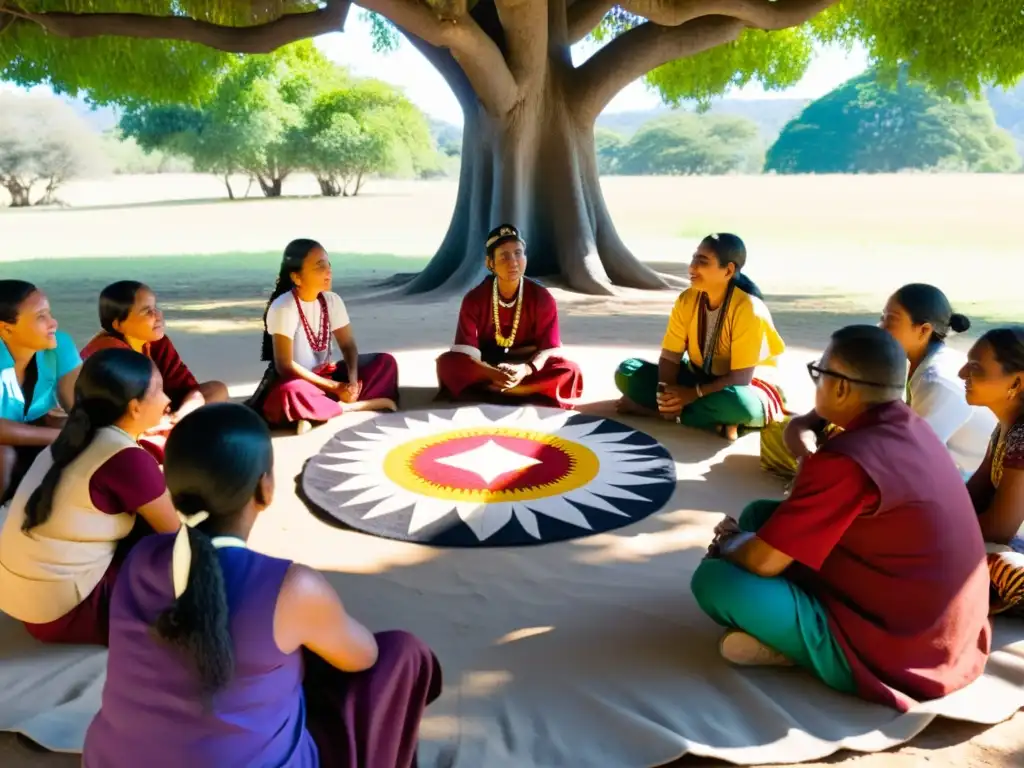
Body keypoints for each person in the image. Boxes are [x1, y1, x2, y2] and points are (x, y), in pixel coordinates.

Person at [83, 403, 443, 768]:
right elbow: (363, 657)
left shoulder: (140, 558)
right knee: (401, 652)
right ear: (265, 488)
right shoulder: (293, 588)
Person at [691, 325, 991, 712]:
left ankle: (818, 653)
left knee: (716, 581)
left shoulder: (848, 459)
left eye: (820, 373)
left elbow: (764, 563)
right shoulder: (910, 423)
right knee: (759, 514)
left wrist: (728, 543)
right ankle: (788, 625)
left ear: (842, 388)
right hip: (950, 628)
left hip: (907, 647)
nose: (816, 383)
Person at [0, 348, 181, 645]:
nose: (167, 399)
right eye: (159, 390)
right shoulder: (126, 459)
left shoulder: (75, 438)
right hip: (63, 613)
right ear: (134, 408)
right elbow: (177, 535)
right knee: (192, 563)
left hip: (26, 600)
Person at [761, 284, 996, 480]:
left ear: (923, 330)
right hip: (904, 458)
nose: (881, 327)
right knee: (777, 432)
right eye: (882, 317)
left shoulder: (938, 381)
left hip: (957, 481)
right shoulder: (902, 362)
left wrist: (826, 458)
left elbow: (912, 460)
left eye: (890, 320)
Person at [615, 234, 786, 441]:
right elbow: (670, 357)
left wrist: (689, 395)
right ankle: (713, 422)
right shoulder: (687, 299)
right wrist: (665, 395)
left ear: (729, 270)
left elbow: (741, 378)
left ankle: (650, 411)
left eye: (702, 262)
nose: (692, 268)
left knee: (739, 405)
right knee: (628, 371)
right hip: (696, 376)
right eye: (694, 259)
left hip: (746, 387)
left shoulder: (748, 309)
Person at [248, 239, 399, 433]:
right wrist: (336, 388)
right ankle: (348, 407)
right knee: (289, 394)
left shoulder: (332, 301)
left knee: (386, 363)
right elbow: (284, 366)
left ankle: (317, 412)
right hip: (300, 381)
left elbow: (348, 345)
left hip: (329, 375)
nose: (328, 271)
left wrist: (351, 382)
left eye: (328, 264)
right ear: (297, 277)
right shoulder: (284, 307)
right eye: (320, 266)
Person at [80, 280, 230, 463]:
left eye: (155, 307)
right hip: (124, 428)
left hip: (161, 415)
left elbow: (186, 385)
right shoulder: (110, 355)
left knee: (216, 390)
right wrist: (163, 421)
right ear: (118, 324)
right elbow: (121, 417)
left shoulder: (155, 341)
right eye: (146, 311)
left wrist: (180, 414)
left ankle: (181, 436)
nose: (158, 315)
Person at [435, 224, 584, 409]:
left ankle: (495, 391)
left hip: (527, 364)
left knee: (569, 369)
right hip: (486, 366)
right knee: (448, 363)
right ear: (490, 263)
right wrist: (493, 373)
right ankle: (524, 391)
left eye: (518, 253)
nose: (513, 262)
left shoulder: (542, 297)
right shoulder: (474, 299)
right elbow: (467, 352)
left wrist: (525, 369)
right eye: (504, 256)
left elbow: (549, 348)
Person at [959, 325, 1024, 616]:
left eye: (975, 368)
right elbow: (973, 496)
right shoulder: (1006, 428)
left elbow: (1000, 529)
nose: (962, 374)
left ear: (1017, 383)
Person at [0, 280, 82, 505]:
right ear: (6, 328)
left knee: (67, 425)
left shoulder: (59, 346)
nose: (53, 323)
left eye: (50, 313)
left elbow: (78, 405)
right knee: (2, 456)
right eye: (41, 316)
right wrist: (60, 437)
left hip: (29, 438)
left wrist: (74, 426)